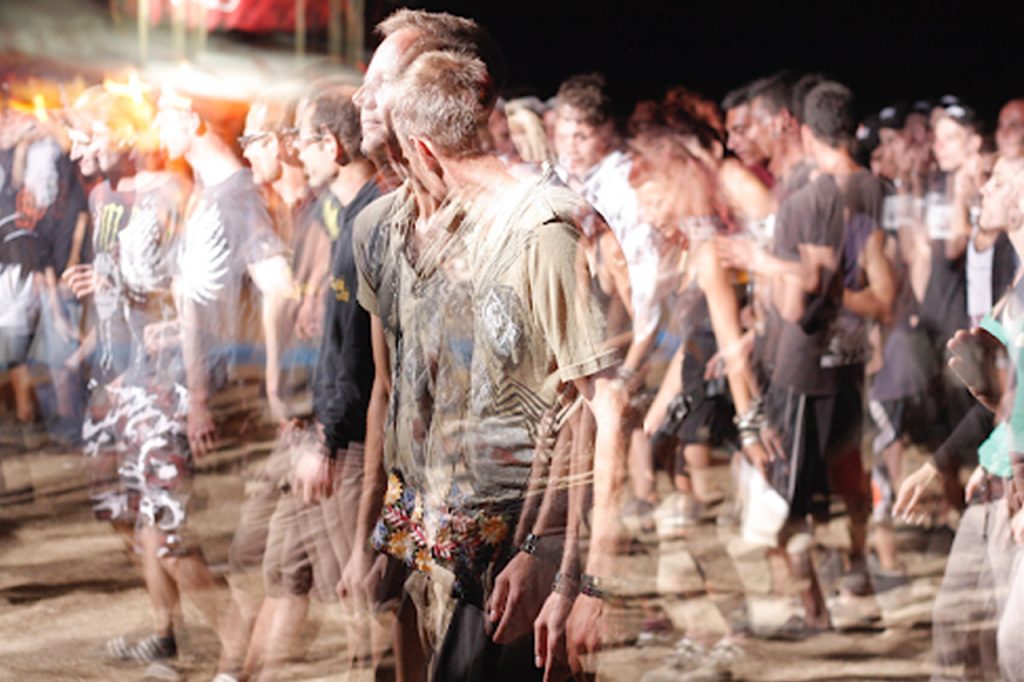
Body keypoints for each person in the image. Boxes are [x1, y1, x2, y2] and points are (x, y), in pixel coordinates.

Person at [155, 85, 295, 679]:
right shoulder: (209, 193)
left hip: (223, 397)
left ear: (190, 117)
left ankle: (239, 659)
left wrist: (247, 385)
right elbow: (205, 294)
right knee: (168, 528)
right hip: (203, 388)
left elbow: (278, 285)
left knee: (187, 532)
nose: (155, 129)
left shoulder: (236, 195)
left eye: (162, 115)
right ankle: (236, 660)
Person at [895, 153, 1024, 681]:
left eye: (998, 181)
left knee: (1013, 645)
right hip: (997, 477)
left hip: (1015, 484)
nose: (983, 191)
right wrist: (942, 463)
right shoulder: (1013, 289)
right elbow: (1003, 401)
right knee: (958, 629)